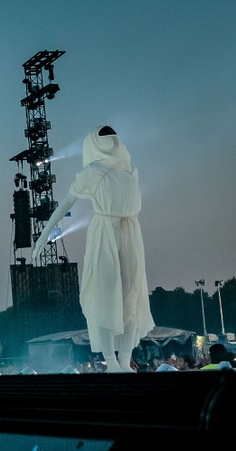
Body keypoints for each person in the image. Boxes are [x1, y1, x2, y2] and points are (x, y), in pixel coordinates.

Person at [33, 127, 154, 373]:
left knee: (130, 296)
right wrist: (44, 234)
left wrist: (45, 235)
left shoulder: (129, 172)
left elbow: (64, 204)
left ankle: (123, 360)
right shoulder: (94, 173)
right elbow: (65, 204)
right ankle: (111, 361)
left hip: (130, 232)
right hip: (107, 233)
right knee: (104, 294)